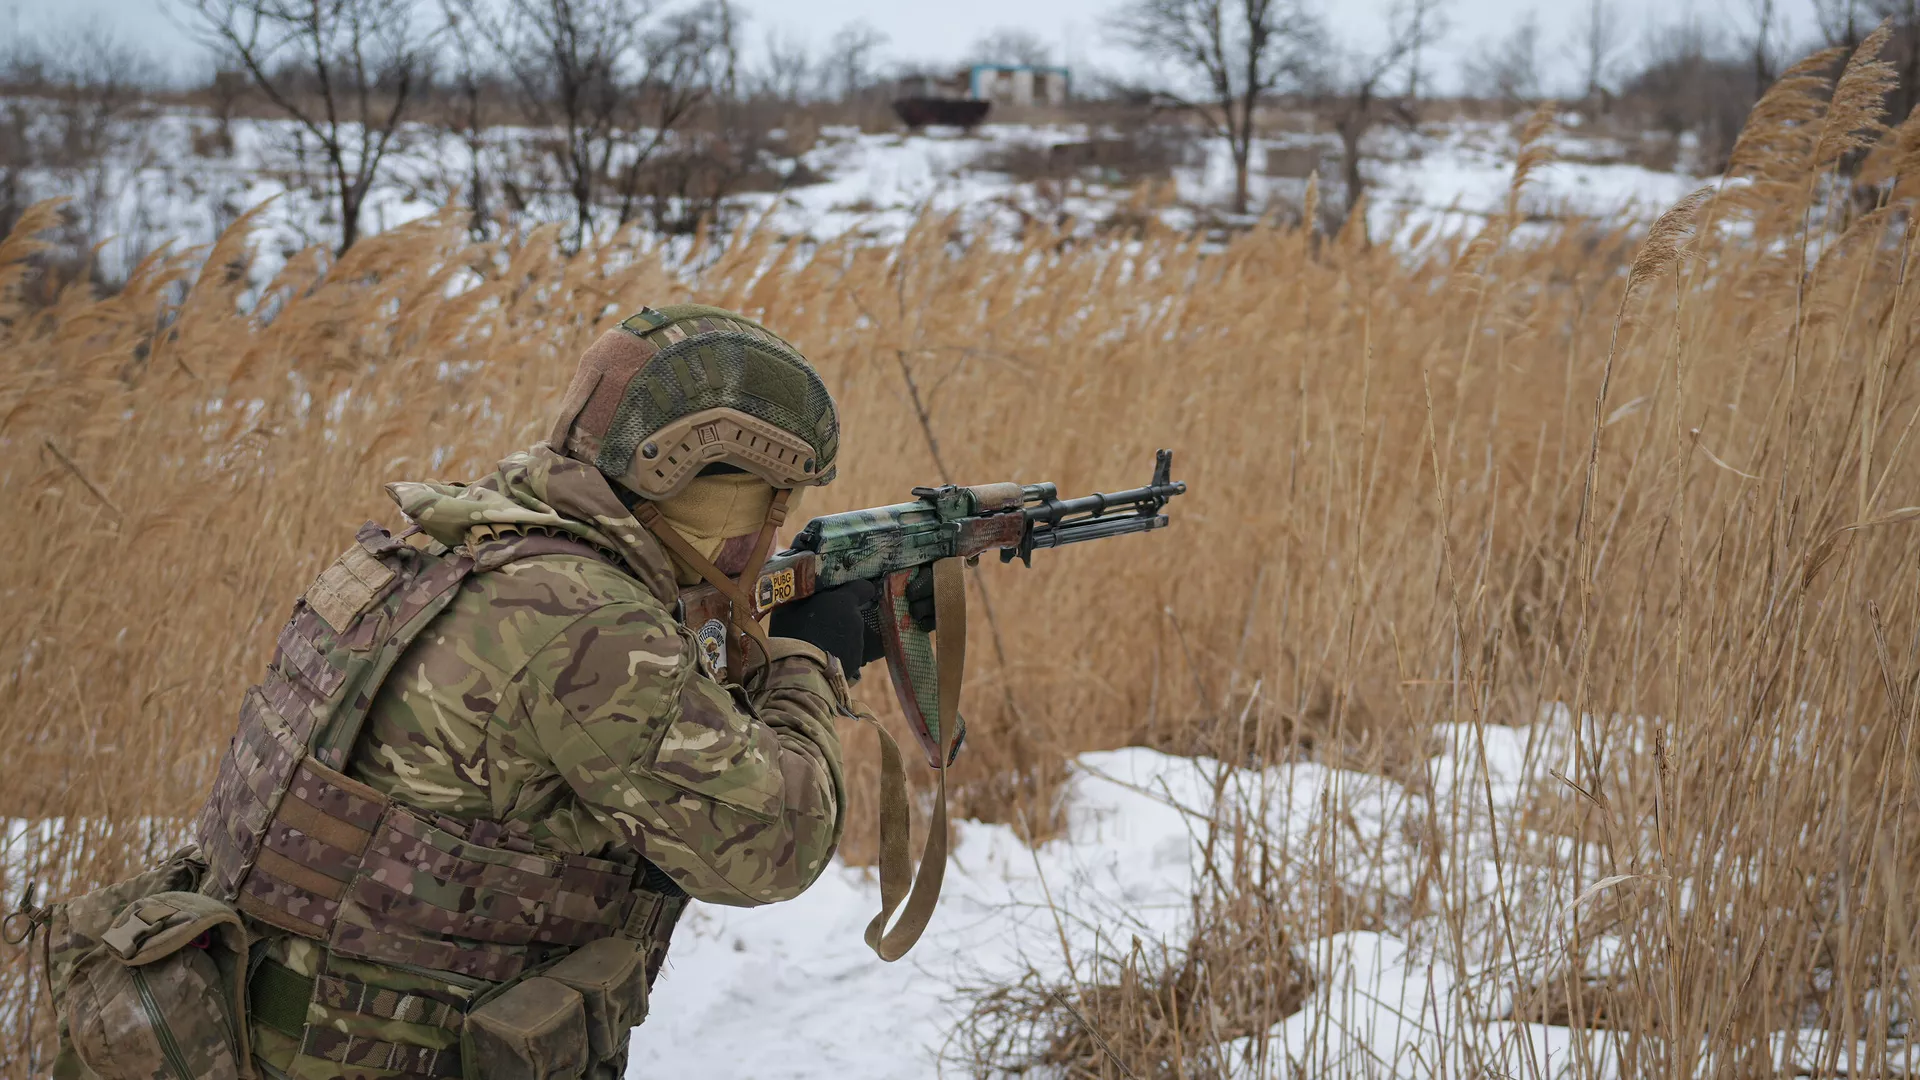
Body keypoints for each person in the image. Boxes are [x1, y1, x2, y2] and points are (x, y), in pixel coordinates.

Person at [193, 305, 875, 1079]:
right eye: (767, 509)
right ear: (699, 496)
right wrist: (808, 662)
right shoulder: (589, 624)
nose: (770, 544)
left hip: (247, 1021)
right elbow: (779, 847)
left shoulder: (467, 543)